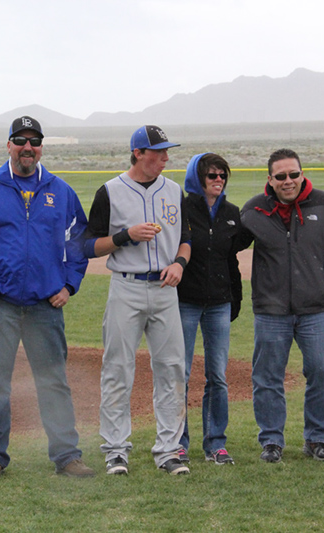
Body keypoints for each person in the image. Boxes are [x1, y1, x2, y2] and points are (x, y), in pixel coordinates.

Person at [0, 116, 95, 479]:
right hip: (0, 304)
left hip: (45, 304)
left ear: (41, 147)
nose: (28, 147)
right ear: (8, 145)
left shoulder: (61, 192)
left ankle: (67, 456)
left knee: (53, 380)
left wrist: (69, 284)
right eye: (20, 140)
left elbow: (79, 244)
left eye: (35, 141)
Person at [83, 125, 192, 476]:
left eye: (166, 152)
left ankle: (168, 450)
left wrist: (179, 263)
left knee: (173, 368)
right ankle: (116, 450)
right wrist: (124, 236)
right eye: (158, 152)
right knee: (117, 368)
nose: (165, 158)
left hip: (165, 288)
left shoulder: (174, 191)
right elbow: (90, 246)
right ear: (138, 154)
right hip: (126, 287)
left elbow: (185, 239)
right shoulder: (110, 191)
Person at [238, 148, 324, 464]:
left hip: (315, 308)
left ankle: (317, 439)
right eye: (281, 176)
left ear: (302, 174)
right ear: (270, 179)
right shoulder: (254, 211)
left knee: (322, 371)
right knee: (267, 377)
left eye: (294, 174)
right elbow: (227, 245)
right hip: (270, 310)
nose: (288, 181)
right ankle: (272, 441)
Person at [177, 152, 242, 466]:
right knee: (181, 374)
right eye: (211, 175)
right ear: (196, 178)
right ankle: (177, 443)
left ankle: (216, 444)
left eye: (222, 176)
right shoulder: (182, 209)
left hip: (219, 303)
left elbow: (232, 260)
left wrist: (236, 297)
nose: (218, 181)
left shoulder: (232, 213)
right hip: (185, 302)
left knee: (217, 375)